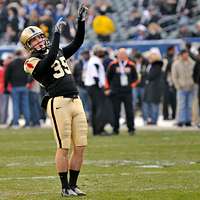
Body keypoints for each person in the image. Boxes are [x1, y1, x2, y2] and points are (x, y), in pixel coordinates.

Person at [20, 4, 88, 197]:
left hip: (75, 101)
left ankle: (73, 185)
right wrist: (57, 36)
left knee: (81, 146)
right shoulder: (30, 62)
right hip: (58, 103)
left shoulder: (56, 51)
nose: (40, 41)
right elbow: (48, 61)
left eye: (41, 36)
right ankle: (64, 187)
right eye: (35, 40)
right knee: (63, 146)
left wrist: (81, 22)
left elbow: (77, 43)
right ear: (28, 46)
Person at [105, 48, 138, 135]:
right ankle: (115, 129)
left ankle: (131, 129)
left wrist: (131, 85)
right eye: (120, 54)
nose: (122, 56)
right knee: (116, 111)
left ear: (127, 55)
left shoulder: (131, 65)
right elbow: (107, 78)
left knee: (129, 111)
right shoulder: (113, 65)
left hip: (127, 91)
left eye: (124, 54)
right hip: (116, 91)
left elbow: (136, 78)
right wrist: (108, 88)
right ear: (118, 55)